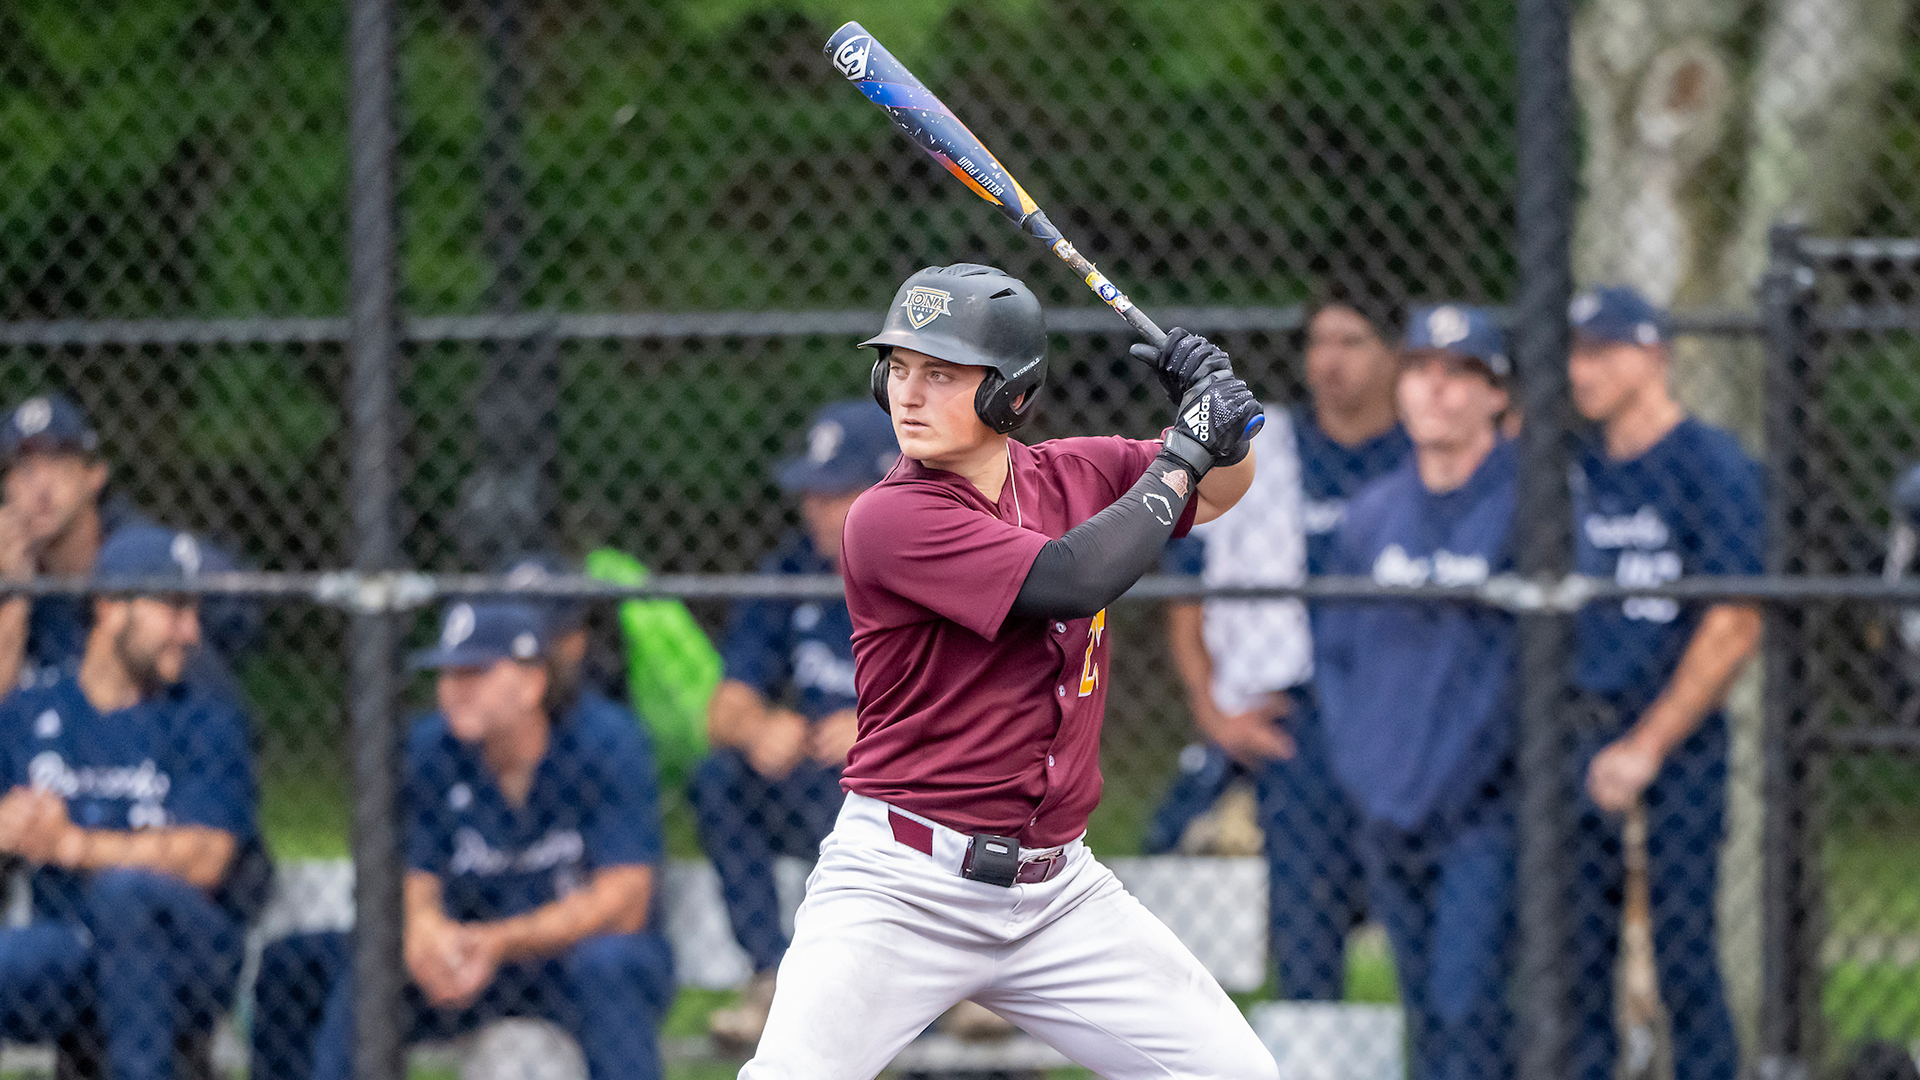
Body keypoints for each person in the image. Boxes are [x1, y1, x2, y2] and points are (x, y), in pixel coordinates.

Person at [739, 262, 1278, 1079]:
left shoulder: (1076, 474)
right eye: (900, 369)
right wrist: (1183, 449)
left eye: (943, 374)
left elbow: (1221, 490)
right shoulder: (890, 516)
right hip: (903, 886)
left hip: (1057, 894)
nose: (908, 396)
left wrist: (1218, 429)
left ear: (1011, 395)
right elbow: (1072, 577)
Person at [250, 601, 675, 1080]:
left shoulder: (607, 742)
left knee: (610, 966)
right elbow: (412, 877)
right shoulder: (428, 748)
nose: (454, 691)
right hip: (466, 966)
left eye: (475, 673)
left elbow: (625, 901)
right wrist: (426, 933)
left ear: (531, 684)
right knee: (359, 967)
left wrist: (496, 942)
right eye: (447, 675)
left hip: (567, 962)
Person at [1154, 283, 1411, 1000]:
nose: (1329, 362)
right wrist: (1213, 713)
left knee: (1429, 939)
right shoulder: (1260, 456)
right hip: (1296, 724)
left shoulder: (1429, 453)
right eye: (1318, 343)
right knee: (1308, 938)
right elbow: (1186, 590)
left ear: (1394, 356)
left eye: (1351, 343)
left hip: (1407, 722)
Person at [1315, 304, 1518, 1080]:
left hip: (1487, 815)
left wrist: (1464, 780)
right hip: (1388, 811)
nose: (1436, 391)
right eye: (1422, 372)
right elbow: (1335, 659)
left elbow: (1532, 673)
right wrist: (1366, 776)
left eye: (1459, 374)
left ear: (1496, 395)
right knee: (1426, 1018)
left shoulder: (1530, 505)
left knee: (1471, 1011)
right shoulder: (1372, 517)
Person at [1565, 286, 1762, 1080]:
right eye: (1575, 354)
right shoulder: (1572, 470)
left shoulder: (1711, 465)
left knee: (1682, 958)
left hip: (1672, 746)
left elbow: (1735, 621)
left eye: (1601, 353)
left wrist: (1646, 747)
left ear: (1653, 356)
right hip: (1577, 733)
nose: (1582, 372)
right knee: (1573, 966)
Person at [0, 524, 261, 1080]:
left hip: (185, 957)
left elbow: (207, 856)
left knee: (128, 894)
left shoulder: (205, 717)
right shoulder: (32, 709)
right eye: (173, 609)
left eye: (194, 612)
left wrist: (75, 845)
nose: (192, 632)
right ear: (110, 607)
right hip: (69, 951)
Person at [689, 399, 897, 1049]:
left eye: (834, 494)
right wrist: (757, 728)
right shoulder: (791, 571)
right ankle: (772, 977)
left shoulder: (942, 568)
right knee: (719, 777)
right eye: (810, 493)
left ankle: (961, 986)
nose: (814, 509)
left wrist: (879, 730)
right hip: (818, 792)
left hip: (912, 798)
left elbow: (993, 713)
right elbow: (724, 707)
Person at [0, 394, 256, 700]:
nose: (40, 485)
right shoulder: (7, 564)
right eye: (24, 468)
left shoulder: (140, 551)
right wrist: (15, 590)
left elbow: (244, 610)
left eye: (59, 462)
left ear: (95, 476)